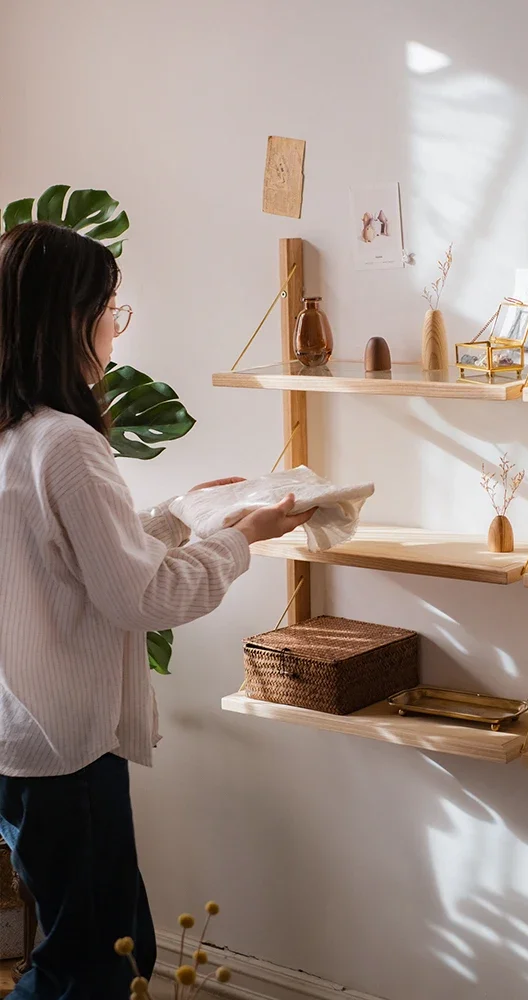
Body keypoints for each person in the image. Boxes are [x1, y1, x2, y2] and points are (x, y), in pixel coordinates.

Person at [0, 221, 313, 999]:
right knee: (92, 965)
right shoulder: (67, 444)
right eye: (111, 307)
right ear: (70, 317)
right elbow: (146, 595)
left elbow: (68, 561)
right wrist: (243, 537)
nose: (116, 325)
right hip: (69, 748)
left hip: (20, 738)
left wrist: (179, 514)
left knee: (110, 940)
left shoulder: (17, 434)